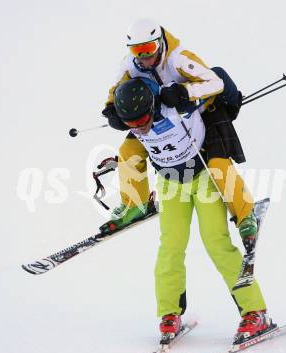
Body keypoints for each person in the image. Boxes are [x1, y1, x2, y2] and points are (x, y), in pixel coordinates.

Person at [109, 76, 275, 345]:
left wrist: (193, 97)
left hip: (203, 178)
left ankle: (255, 311)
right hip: (170, 182)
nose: (138, 127)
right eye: (131, 123)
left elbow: (215, 85)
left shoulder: (175, 108)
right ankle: (169, 314)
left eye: (141, 121)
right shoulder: (136, 118)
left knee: (217, 243)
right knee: (170, 248)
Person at [100, 18, 259, 253]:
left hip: (201, 114)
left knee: (218, 165)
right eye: (137, 50)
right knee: (128, 152)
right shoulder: (128, 66)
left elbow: (215, 82)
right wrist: (112, 111)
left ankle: (246, 215)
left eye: (148, 50)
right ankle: (135, 203)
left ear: (159, 44)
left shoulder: (179, 58)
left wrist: (185, 91)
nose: (143, 57)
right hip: (156, 119)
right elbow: (114, 92)